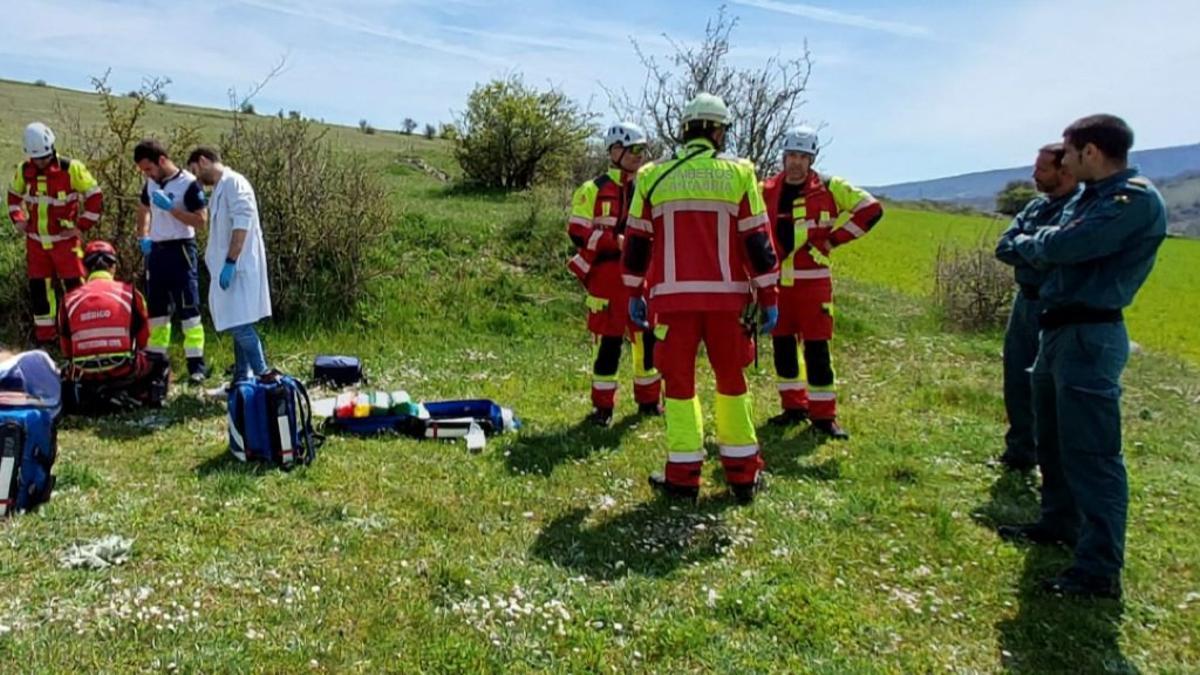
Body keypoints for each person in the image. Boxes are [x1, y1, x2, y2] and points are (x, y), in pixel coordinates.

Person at [1003, 114, 1167, 599]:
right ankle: (1058, 522)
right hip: (1056, 330)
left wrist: (1038, 245)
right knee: (1052, 439)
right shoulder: (1089, 197)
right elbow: (1047, 244)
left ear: (1091, 152)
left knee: (1092, 454)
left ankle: (1098, 569)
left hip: (1090, 336)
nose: (1067, 163)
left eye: (1071, 153)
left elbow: (1069, 243)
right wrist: (1044, 247)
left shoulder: (1130, 199)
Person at [621, 92, 780, 504]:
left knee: (678, 385)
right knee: (732, 382)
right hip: (729, 303)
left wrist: (632, 291)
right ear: (715, 130)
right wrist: (769, 295)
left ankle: (683, 476)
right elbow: (758, 241)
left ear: (686, 129)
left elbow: (637, 243)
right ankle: (743, 475)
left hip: (671, 303)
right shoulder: (740, 173)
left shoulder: (651, 176)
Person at [760, 126, 883, 439]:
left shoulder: (829, 186)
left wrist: (833, 241)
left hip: (813, 284)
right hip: (778, 284)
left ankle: (824, 416)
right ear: (783, 156)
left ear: (812, 158)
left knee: (817, 350)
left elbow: (871, 210)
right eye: (791, 155)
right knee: (783, 348)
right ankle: (793, 407)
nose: (796, 163)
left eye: (802, 156)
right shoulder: (767, 188)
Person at [566, 122, 662, 426]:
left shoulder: (648, 188)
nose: (640, 156)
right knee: (607, 346)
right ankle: (603, 408)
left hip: (640, 276)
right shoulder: (592, 189)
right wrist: (613, 241)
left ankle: (649, 401)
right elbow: (578, 232)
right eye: (634, 150)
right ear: (615, 150)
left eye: (643, 150)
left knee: (647, 342)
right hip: (606, 278)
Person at [993, 144, 1080, 471]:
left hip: (1055, 303)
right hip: (1024, 301)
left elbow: (1061, 252)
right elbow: (1004, 247)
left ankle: (1054, 460)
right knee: (1016, 376)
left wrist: (1030, 246)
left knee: (1051, 383)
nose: (1034, 175)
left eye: (1042, 169)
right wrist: (1039, 249)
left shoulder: (1078, 208)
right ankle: (1019, 451)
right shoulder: (1034, 207)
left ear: (1065, 171)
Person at [7, 122, 103, 343]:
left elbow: (95, 197)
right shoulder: (24, 170)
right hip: (36, 244)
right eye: (36, 158)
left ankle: (80, 335)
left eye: (44, 157)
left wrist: (81, 227)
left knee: (75, 288)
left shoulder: (71, 169)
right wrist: (18, 220)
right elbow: (13, 196)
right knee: (40, 292)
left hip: (65, 244)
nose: (40, 162)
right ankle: (46, 338)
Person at [186, 147, 272, 384]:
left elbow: (241, 223)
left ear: (203, 161)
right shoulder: (220, 189)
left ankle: (264, 376)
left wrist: (231, 262)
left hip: (239, 268)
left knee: (241, 325)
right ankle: (242, 379)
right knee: (237, 321)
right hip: (229, 268)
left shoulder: (234, 183)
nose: (196, 179)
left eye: (195, 171)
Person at [58, 241, 168, 412]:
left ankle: (87, 399)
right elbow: (144, 340)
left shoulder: (68, 299)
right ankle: (147, 398)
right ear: (113, 267)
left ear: (85, 269)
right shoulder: (129, 293)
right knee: (160, 359)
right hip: (123, 369)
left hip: (84, 372)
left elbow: (66, 351)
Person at [134, 139, 210, 384]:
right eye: (144, 171)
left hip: (181, 250)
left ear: (162, 161)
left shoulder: (188, 184)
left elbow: (201, 220)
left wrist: (172, 210)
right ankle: (156, 363)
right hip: (157, 250)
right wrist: (143, 235)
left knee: (189, 310)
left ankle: (196, 365)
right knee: (156, 311)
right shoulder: (151, 182)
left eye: (149, 168)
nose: (147, 174)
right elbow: (143, 207)